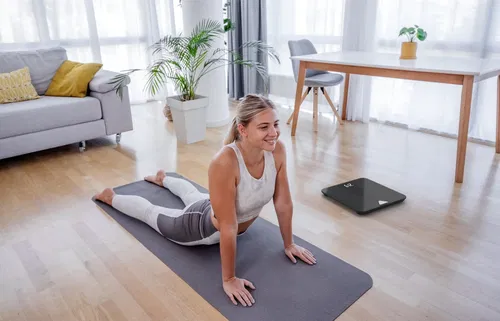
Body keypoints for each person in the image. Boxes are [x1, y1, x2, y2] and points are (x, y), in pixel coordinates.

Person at [94, 94, 316, 308]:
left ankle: (163, 180)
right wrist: (228, 279)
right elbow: (228, 225)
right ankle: (111, 197)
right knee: (152, 214)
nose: (274, 133)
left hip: (218, 209)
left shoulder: (277, 151)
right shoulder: (225, 161)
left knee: (193, 196)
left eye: (275, 124)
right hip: (198, 226)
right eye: (264, 127)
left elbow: (283, 202)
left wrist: (289, 244)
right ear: (243, 129)